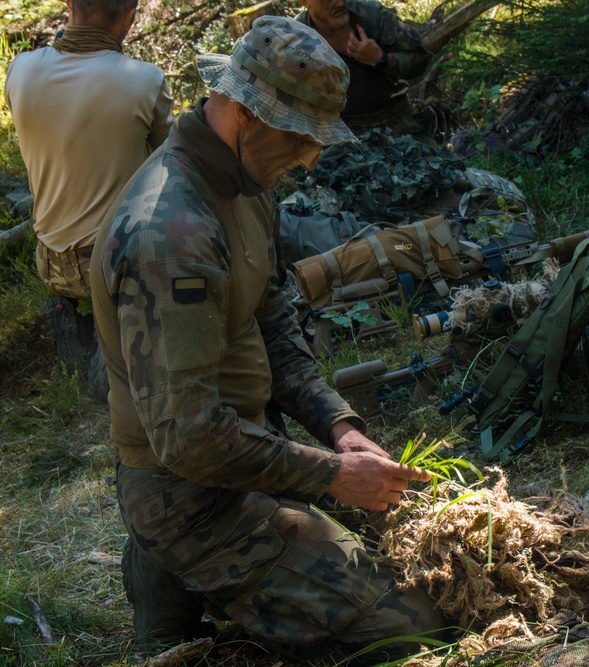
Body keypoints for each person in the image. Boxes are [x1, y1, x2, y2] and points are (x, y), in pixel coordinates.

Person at [90, 17, 443, 658]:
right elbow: (189, 437)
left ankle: (173, 571)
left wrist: (338, 425)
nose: (310, 156)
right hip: (189, 493)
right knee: (409, 623)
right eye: (300, 136)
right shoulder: (172, 234)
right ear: (246, 114)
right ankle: (173, 561)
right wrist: (334, 476)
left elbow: (272, 318)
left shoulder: (244, 182)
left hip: (239, 453)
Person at [4, 0, 173, 377]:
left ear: (68, 5)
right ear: (130, 18)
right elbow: (174, 164)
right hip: (117, 268)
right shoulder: (144, 80)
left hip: (51, 262)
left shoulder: (20, 70)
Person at [294, 0, 430, 135]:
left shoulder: (372, 15)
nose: (340, 4)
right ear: (305, 2)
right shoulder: (294, 38)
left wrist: (381, 59)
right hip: (340, 130)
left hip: (396, 118)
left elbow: (420, 59)